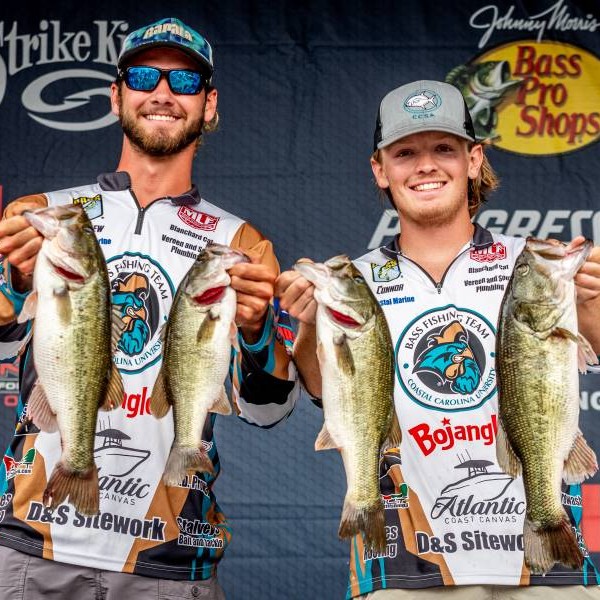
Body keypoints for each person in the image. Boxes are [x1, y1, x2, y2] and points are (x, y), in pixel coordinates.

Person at [0, 17, 298, 599]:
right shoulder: (43, 215)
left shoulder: (240, 244)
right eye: (143, 77)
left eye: (184, 82)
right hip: (35, 540)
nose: (162, 93)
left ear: (209, 105)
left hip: (169, 553)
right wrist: (15, 281)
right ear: (116, 96)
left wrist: (258, 330)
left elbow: (268, 412)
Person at [276, 79, 600, 599]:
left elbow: (590, 351)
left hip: (543, 568)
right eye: (405, 153)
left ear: (474, 159)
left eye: (444, 149)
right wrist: (312, 326)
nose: (425, 165)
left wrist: (590, 303)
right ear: (380, 170)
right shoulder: (352, 280)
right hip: (406, 566)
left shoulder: (533, 265)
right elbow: (323, 392)